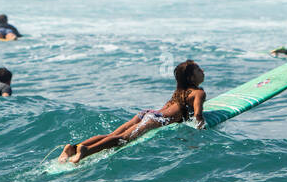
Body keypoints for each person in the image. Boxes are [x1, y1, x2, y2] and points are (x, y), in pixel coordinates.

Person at [57, 60, 206, 164]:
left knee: (112, 135)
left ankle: (73, 148)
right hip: (156, 120)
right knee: (122, 139)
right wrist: (199, 130)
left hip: (148, 113)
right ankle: (86, 151)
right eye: (199, 70)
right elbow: (198, 115)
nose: (203, 71)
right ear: (191, 77)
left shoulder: (179, 92)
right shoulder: (198, 93)